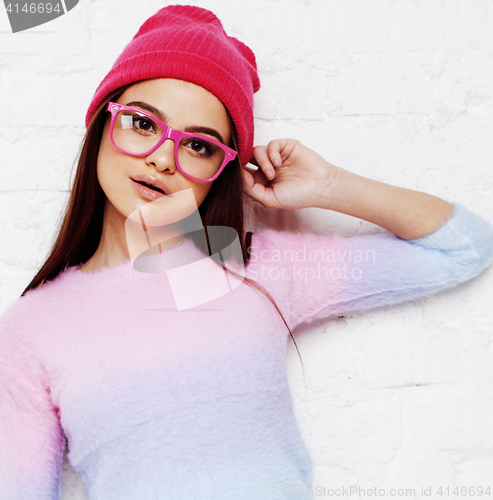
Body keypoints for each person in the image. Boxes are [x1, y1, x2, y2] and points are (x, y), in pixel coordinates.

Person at [1, 4, 492, 500]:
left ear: (222, 170)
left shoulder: (251, 267)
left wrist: (331, 186)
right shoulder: (32, 328)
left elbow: (463, 247)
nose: (164, 158)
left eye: (199, 146)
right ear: (102, 125)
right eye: (142, 123)